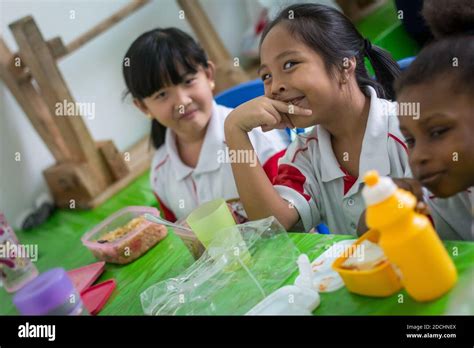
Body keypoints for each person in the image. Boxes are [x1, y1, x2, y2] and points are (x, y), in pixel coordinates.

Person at [122, 28, 288, 222]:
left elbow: (295, 219)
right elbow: (182, 237)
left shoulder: (260, 139)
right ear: (143, 107)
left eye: (188, 81)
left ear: (209, 75)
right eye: (162, 95)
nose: (182, 101)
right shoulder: (161, 173)